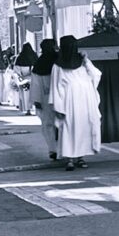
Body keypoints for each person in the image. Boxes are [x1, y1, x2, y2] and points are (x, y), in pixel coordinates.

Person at [48, 36, 102, 172]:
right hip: (69, 101)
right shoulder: (58, 65)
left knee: (83, 127)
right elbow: (55, 86)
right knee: (69, 128)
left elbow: (95, 75)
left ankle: (81, 157)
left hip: (85, 100)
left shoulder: (82, 61)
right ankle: (70, 159)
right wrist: (58, 106)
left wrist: (86, 60)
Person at [30, 39, 59, 161]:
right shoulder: (60, 60)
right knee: (63, 124)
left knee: (48, 124)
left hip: (46, 98)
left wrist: (37, 101)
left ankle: (53, 149)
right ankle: (65, 149)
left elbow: (36, 85)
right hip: (61, 97)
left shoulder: (39, 64)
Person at [13, 43, 37, 115]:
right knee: (34, 94)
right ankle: (35, 109)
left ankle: (28, 110)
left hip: (23, 79)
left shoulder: (19, 57)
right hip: (33, 78)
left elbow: (16, 70)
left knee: (25, 95)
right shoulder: (34, 56)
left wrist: (20, 78)